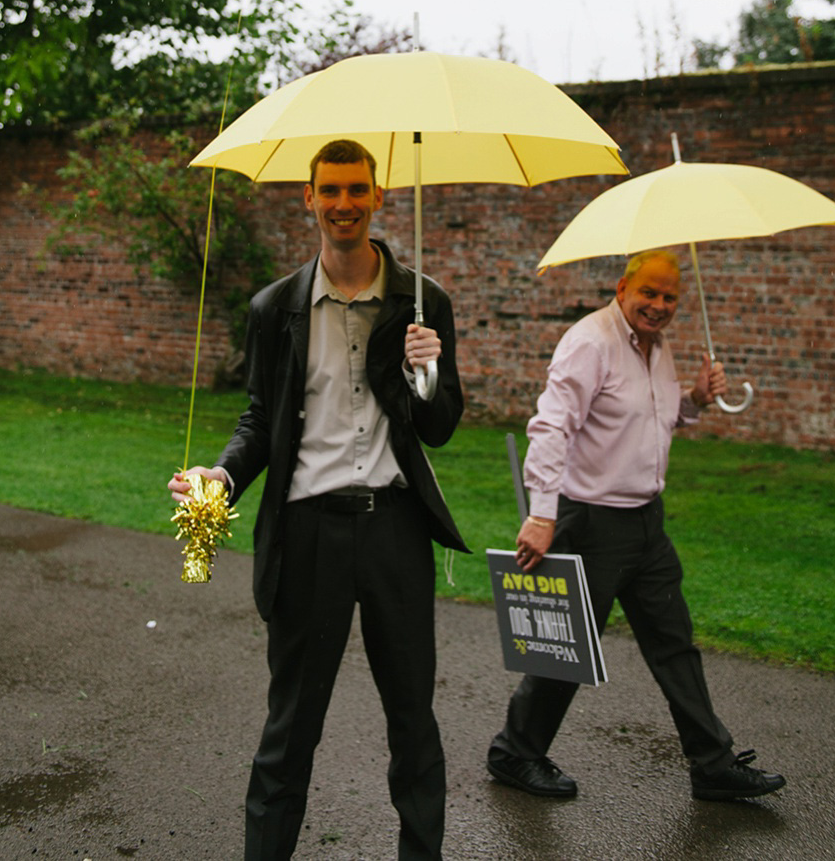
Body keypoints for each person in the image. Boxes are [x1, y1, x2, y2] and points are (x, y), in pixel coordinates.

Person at [169, 138, 467, 861]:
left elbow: (442, 427)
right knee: (291, 726)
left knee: (413, 724)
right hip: (308, 534)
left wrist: (428, 372)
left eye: (356, 190)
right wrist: (223, 478)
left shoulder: (423, 303)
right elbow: (259, 421)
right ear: (309, 198)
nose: (343, 205)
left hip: (395, 531)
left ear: (378, 195)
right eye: (329, 191)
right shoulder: (276, 308)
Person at [487, 249, 786, 804]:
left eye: (670, 297)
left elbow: (655, 418)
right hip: (590, 524)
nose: (659, 305)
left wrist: (695, 398)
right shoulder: (589, 342)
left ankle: (712, 764)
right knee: (567, 653)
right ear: (623, 287)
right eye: (649, 292)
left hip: (647, 525)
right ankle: (516, 753)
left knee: (675, 645)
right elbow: (551, 428)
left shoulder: (656, 346)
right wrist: (541, 514)